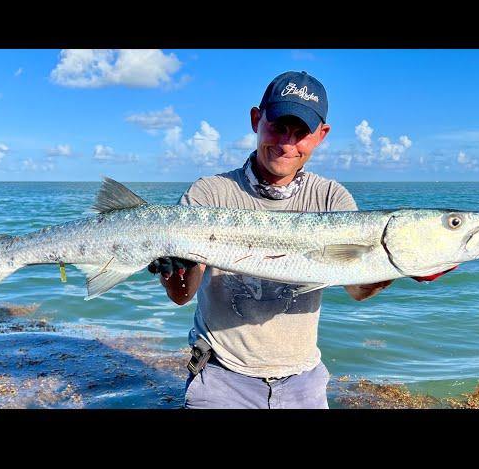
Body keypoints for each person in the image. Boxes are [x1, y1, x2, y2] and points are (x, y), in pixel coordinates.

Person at [148, 70, 393, 409]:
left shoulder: (332, 199)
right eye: (277, 126)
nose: (286, 144)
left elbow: (357, 289)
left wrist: (397, 262)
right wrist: (174, 269)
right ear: (255, 120)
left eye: (301, 133)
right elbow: (181, 296)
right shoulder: (210, 193)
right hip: (220, 377)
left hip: (303, 381)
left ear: (321, 135)